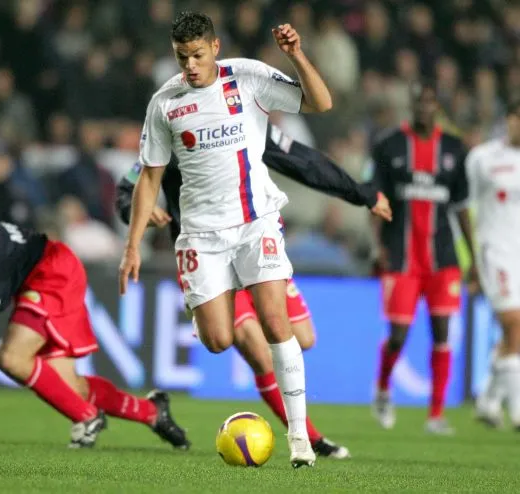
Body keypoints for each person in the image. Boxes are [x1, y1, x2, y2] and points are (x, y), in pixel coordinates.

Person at [119, 11, 332, 467]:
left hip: (256, 222)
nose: (190, 65)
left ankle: (299, 438)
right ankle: (219, 295)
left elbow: (320, 102)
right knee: (217, 339)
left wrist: (296, 56)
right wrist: (132, 245)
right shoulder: (165, 102)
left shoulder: (248, 77)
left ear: (215, 47)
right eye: (182, 57)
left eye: (197, 55)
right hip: (202, 235)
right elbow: (149, 177)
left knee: (276, 324)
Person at [117, 124, 392, 459]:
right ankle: (309, 438)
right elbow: (128, 187)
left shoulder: (246, 117)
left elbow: (302, 161)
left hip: (254, 241)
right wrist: (134, 211)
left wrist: (359, 193)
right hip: (206, 253)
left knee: (303, 337)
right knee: (255, 350)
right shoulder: (175, 125)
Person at [0, 219, 190, 449]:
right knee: (70, 387)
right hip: (38, 275)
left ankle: (87, 417)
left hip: (51, 268)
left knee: (10, 358)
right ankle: (152, 412)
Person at [368, 81, 475, 435]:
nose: (423, 107)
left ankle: (436, 414)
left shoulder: (455, 148)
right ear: (411, 105)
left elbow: (461, 207)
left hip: (443, 258)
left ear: (437, 107)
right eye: (418, 101)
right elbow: (376, 200)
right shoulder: (389, 145)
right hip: (401, 257)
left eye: (430, 102)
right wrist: (377, 246)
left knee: (442, 334)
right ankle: (383, 389)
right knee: (398, 336)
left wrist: (473, 258)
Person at [467, 100, 520, 430]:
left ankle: (488, 399)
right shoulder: (483, 158)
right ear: (509, 119)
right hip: (495, 251)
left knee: (515, 332)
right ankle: (517, 410)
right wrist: (471, 257)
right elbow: (465, 207)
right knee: (513, 323)